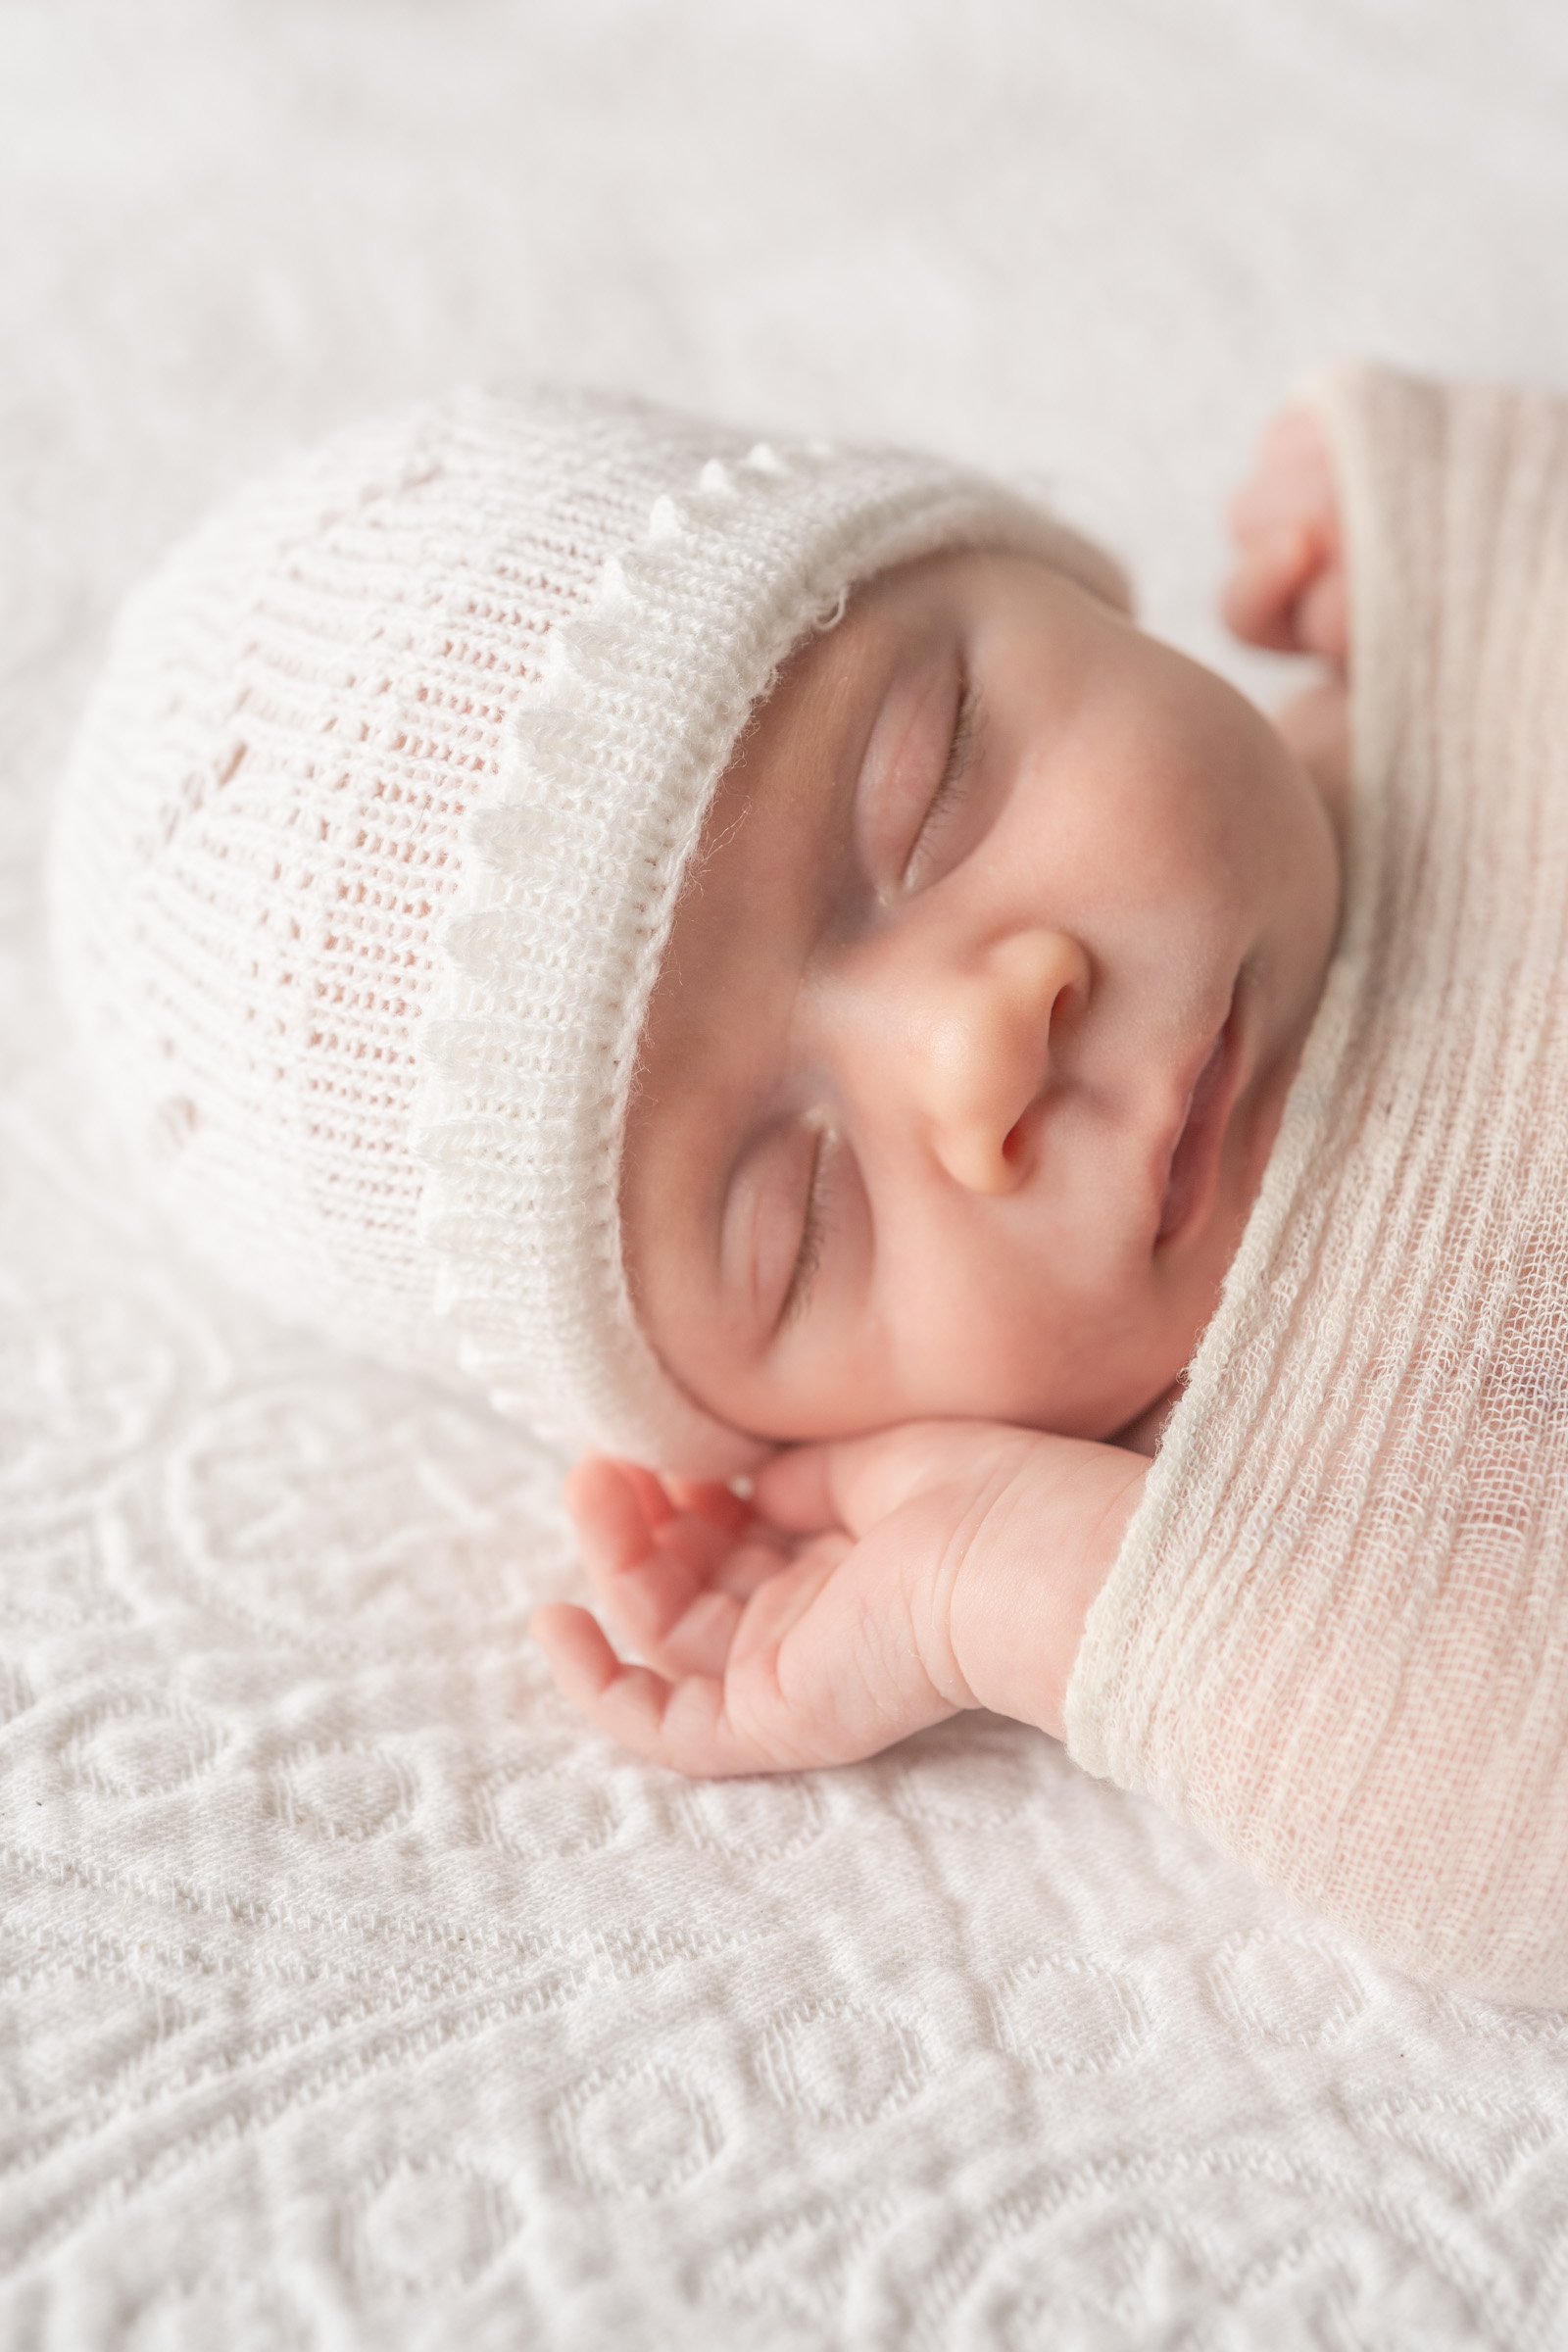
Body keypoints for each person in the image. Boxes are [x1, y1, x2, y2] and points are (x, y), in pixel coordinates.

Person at [51, 369, 1568, 2004]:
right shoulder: (1300, 1530)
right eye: (802, 1223)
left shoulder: (1460, 658)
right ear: (796, 1445)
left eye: (930, 787)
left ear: (1043, 576)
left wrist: (1447, 488)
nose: (981, 1050)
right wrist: (1022, 1589)